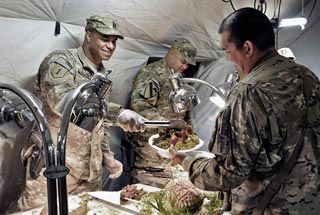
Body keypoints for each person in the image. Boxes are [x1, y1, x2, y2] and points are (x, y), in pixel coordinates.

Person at [169, 7, 320, 215]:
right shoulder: (308, 77)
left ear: (247, 48)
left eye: (227, 51)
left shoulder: (248, 93)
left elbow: (227, 174)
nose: (228, 59)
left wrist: (189, 161)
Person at [13, 15, 146, 212]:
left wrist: (107, 156)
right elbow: (63, 101)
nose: (110, 46)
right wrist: (118, 113)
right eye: (105, 39)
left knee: (87, 210)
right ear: (89, 36)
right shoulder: (61, 62)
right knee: (38, 211)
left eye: (114, 41)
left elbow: (99, 123)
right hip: (55, 165)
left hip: (89, 169)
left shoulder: (101, 76)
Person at [130, 38, 197, 186]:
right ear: (172, 53)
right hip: (151, 152)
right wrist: (168, 125)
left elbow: (185, 110)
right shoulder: (151, 74)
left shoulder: (178, 80)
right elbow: (140, 107)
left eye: (188, 64)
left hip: (172, 151)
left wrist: (188, 129)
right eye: (183, 61)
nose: (185, 67)